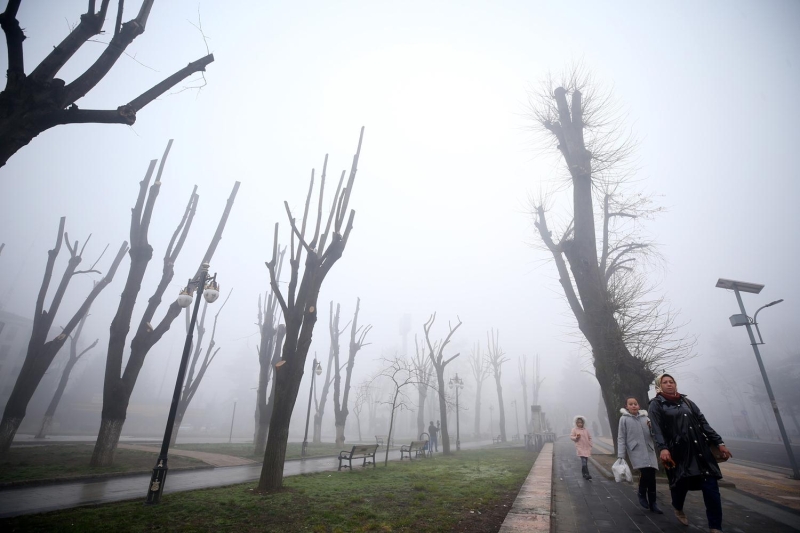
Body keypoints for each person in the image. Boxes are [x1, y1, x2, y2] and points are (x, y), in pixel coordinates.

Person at [649, 373, 732, 533]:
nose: (669, 384)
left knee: (712, 489)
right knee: (680, 486)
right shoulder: (656, 404)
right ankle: (678, 507)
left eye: (671, 381)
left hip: (701, 452)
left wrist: (719, 443)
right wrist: (663, 448)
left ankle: (715, 527)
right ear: (659, 386)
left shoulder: (687, 402)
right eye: (665, 382)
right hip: (679, 454)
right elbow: (656, 428)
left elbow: (703, 423)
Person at [618, 396, 662, 514]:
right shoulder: (624, 419)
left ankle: (653, 503)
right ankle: (642, 493)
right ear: (626, 406)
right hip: (636, 450)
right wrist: (621, 455)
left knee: (652, 475)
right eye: (630, 404)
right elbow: (621, 437)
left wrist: (651, 427)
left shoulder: (646, 418)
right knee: (646, 473)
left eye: (635, 404)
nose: (633, 406)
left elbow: (654, 434)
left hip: (649, 450)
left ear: (639, 406)